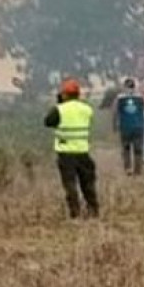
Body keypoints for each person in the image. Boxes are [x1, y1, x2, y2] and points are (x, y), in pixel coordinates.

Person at [42, 79, 98, 219]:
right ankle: (93, 210)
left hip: (66, 154)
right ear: (78, 94)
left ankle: (75, 212)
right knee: (88, 184)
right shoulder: (87, 109)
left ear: (64, 94)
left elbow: (48, 122)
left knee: (70, 184)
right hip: (83, 152)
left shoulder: (59, 109)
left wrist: (59, 104)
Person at [112, 79, 144, 175]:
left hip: (125, 127)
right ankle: (137, 170)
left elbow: (115, 112)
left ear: (124, 87)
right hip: (138, 126)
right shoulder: (141, 97)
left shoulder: (119, 98)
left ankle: (128, 168)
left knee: (126, 148)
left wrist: (114, 125)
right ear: (134, 86)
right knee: (138, 150)